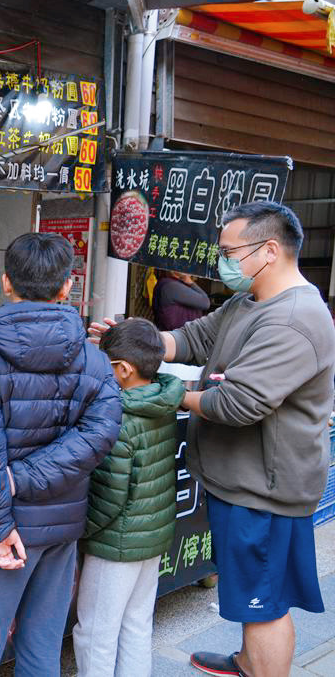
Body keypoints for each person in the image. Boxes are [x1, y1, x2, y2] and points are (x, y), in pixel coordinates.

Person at [90, 202, 335, 677]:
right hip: (241, 481)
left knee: (262, 601)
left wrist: (168, 391)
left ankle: (258, 668)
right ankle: (247, 660)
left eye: (229, 251)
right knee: (251, 591)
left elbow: (237, 404)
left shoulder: (294, 319)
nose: (221, 260)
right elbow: (194, 338)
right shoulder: (250, 301)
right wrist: (134, 341)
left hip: (265, 489)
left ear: (268, 251)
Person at [0, 232, 122, 676]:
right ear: (66, 287)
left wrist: (3, 513)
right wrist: (24, 478)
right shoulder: (91, 354)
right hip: (60, 527)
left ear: (6, 283)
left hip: (3, 526)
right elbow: (101, 433)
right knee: (41, 652)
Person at [72, 317, 185, 677]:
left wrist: (83, 532)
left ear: (122, 369)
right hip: (151, 536)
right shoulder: (161, 400)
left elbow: (108, 495)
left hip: (116, 542)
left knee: (94, 633)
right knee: (136, 624)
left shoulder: (120, 417)